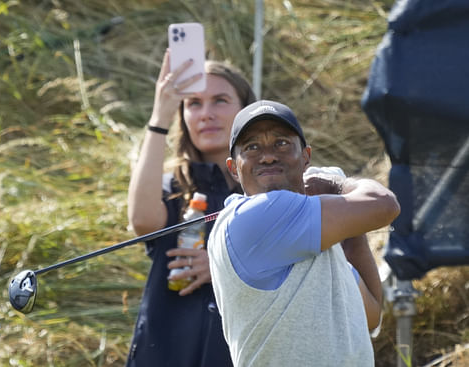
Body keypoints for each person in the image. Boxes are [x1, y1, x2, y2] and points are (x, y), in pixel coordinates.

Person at [208, 100, 401, 366]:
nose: (267, 156)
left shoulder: (315, 234)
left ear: (306, 157)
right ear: (233, 168)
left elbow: (370, 314)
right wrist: (337, 184)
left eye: (282, 143)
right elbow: (384, 204)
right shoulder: (254, 218)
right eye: (252, 147)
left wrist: (349, 221)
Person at [125, 49, 256, 367]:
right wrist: (160, 117)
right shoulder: (171, 187)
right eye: (194, 103)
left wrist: (225, 271)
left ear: (246, 111)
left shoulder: (268, 194)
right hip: (166, 353)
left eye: (220, 100)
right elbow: (142, 222)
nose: (206, 113)